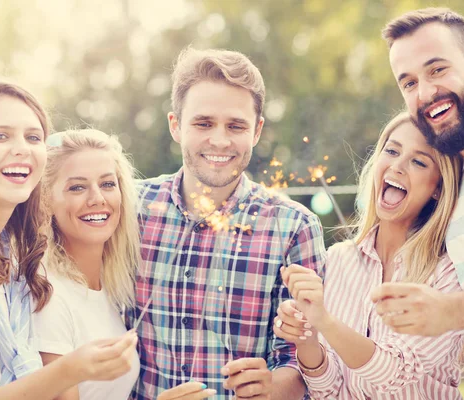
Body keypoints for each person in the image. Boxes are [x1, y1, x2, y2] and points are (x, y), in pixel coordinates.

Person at [0, 80, 138, 399]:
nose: (21, 148)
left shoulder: (5, 252)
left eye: (33, 137)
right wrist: (69, 370)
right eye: (1, 136)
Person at [126, 48, 327, 399]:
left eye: (236, 126)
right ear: (175, 125)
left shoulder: (295, 227)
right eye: (203, 123)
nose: (219, 140)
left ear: (257, 131)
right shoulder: (132, 208)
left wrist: (271, 387)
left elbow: (304, 365)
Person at [373, 8, 464, 398]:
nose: (425, 93)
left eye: (437, 70)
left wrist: (453, 311)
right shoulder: (453, 188)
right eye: (408, 82)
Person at [274, 113, 464, 399]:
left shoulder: (448, 273)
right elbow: (328, 390)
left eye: (418, 161)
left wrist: (324, 320)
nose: (397, 166)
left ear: (438, 187)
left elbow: (395, 374)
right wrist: (307, 335)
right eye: (392, 151)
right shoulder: (338, 260)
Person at [31, 129, 140, 400]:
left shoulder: (110, 287)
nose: (97, 199)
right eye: (77, 187)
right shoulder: (49, 295)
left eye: (107, 184)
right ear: (46, 201)